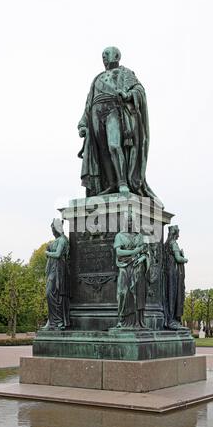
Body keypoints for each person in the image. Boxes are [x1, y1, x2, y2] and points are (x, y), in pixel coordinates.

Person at [78, 46, 159, 201]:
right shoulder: (97, 78)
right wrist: (83, 123)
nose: (104, 58)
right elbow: (88, 102)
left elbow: (139, 90)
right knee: (102, 151)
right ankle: (111, 183)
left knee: (114, 145)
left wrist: (128, 94)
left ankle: (122, 182)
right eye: (102, 56)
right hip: (96, 112)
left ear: (116, 56)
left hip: (114, 109)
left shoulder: (125, 73)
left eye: (106, 55)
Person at [113, 212, 150, 328]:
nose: (129, 222)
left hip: (136, 268)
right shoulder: (119, 236)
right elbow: (119, 252)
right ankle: (122, 319)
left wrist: (143, 256)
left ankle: (136, 321)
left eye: (131, 220)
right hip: (124, 268)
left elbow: (144, 251)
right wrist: (135, 251)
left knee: (137, 293)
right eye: (127, 220)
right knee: (122, 293)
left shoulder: (138, 236)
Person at [42, 219, 70, 331]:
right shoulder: (56, 241)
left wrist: (47, 253)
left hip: (59, 270)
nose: (52, 231)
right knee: (50, 294)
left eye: (53, 228)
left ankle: (58, 321)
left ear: (56, 228)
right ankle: (52, 320)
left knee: (53, 293)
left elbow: (58, 254)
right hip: (53, 269)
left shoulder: (62, 240)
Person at [164, 225, 188, 330]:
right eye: (178, 233)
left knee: (169, 296)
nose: (179, 235)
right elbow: (178, 258)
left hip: (166, 273)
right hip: (173, 272)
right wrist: (185, 258)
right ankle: (171, 319)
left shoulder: (165, 244)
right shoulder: (173, 243)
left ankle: (169, 318)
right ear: (175, 233)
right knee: (173, 296)